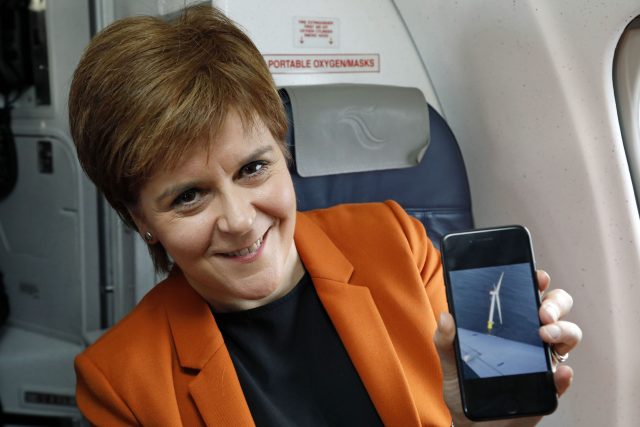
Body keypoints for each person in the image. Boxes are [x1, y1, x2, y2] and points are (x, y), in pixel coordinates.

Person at [69, 4, 581, 426]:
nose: (240, 220)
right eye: (188, 197)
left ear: (284, 153)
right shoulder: (119, 382)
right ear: (140, 219)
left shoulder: (395, 240)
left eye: (253, 168)